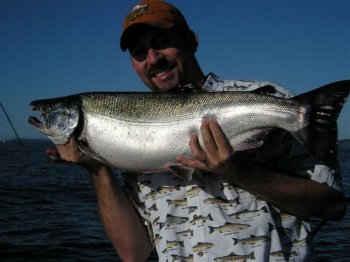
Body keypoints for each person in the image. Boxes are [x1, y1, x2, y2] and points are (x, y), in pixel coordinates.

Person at [56, 1, 347, 261]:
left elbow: (333, 205)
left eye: (163, 41)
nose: (153, 58)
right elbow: (134, 253)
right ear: (133, 64)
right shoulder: (129, 148)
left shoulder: (266, 100)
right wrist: (98, 170)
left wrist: (240, 172)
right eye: (139, 51)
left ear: (191, 41)